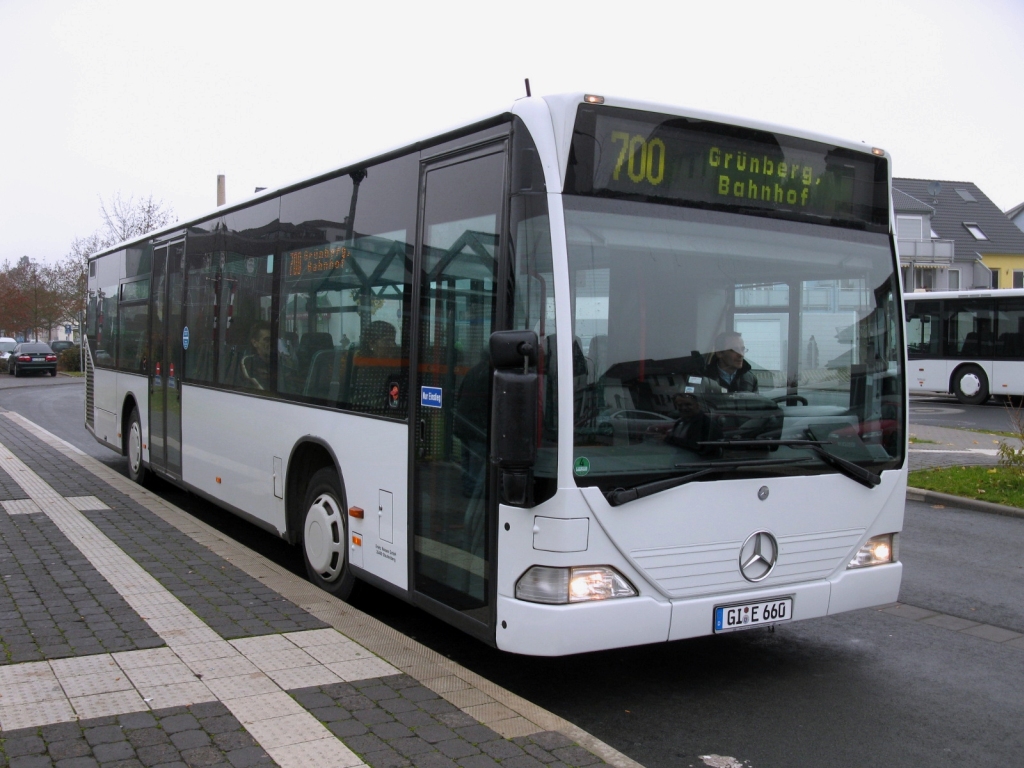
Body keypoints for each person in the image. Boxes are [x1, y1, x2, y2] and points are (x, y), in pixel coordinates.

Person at [240, 321, 271, 390]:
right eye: (267, 340)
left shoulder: (280, 362)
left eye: (273, 339)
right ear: (254, 343)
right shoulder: (248, 362)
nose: (272, 343)